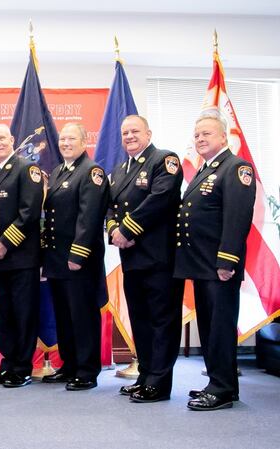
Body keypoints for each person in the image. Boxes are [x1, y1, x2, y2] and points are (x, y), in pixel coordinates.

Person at [175, 112, 256, 411]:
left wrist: (227, 260)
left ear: (223, 137)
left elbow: (237, 218)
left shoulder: (236, 168)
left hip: (219, 265)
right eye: (196, 135)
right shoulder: (204, 170)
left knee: (220, 326)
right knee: (209, 326)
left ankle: (221, 388)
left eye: (207, 134)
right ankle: (221, 384)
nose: (200, 139)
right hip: (201, 264)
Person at [106, 115, 184, 403]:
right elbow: (111, 207)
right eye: (125, 132)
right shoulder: (119, 170)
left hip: (159, 258)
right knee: (141, 320)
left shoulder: (164, 160)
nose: (129, 136)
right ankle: (146, 375)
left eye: (134, 131)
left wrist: (127, 229)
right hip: (132, 258)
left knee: (162, 321)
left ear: (148, 133)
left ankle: (159, 384)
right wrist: (114, 229)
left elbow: (160, 199)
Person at [41, 123, 109, 391]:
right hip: (57, 259)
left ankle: (87, 370)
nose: (65, 143)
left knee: (82, 315)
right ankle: (69, 365)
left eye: (71, 138)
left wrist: (78, 254)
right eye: (62, 139)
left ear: (84, 141)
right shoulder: (58, 171)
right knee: (64, 316)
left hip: (78, 259)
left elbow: (89, 217)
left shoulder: (91, 172)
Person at [0, 123, 43, 388]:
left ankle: (23, 367)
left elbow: (29, 213)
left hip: (21, 256)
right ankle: (8, 363)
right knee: (4, 314)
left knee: (23, 312)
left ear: (12, 139)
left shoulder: (27, 169)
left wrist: (3, 243)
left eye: (2, 138)